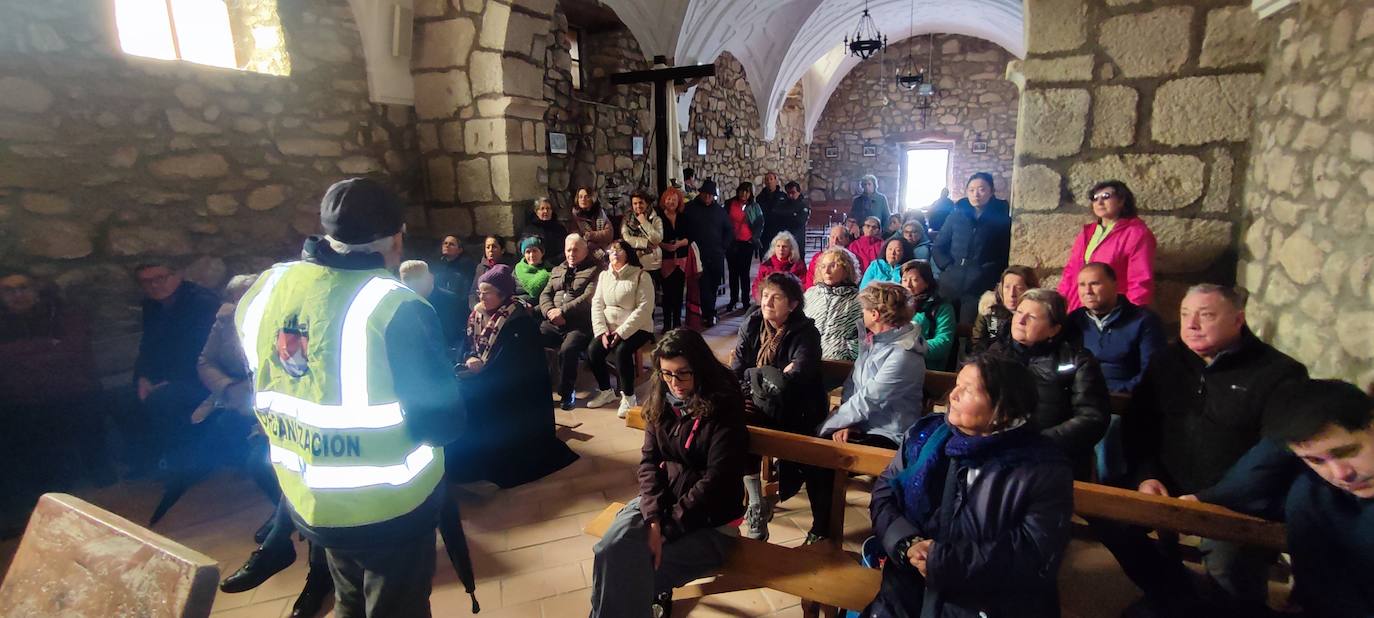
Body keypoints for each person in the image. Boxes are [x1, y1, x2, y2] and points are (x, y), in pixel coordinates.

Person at [234, 178, 464, 617]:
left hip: (308, 492)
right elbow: (442, 423)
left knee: (350, 601)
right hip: (387, 505)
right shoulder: (395, 305)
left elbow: (265, 374)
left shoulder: (268, 286)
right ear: (397, 238)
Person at [1104, 284, 1307, 615]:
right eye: (1185, 314)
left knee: (1230, 571)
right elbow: (1139, 426)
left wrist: (1213, 498)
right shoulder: (1166, 362)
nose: (1191, 324)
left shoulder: (1279, 373)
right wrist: (1147, 476)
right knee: (1114, 522)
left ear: (1238, 319)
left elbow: (1273, 451)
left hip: (1236, 499)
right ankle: (1174, 591)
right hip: (1167, 482)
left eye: (1206, 315)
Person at [863, 355, 1074, 618]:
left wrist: (941, 561)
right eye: (957, 385)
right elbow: (885, 493)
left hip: (984, 605)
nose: (953, 395)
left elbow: (1034, 552)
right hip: (904, 594)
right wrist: (907, 543)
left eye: (969, 390)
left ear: (1004, 410)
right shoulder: (925, 435)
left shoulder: (1041, 468)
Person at [589, 329, 748, 618]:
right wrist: (652, 519)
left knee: (633, 568)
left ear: (700, 367)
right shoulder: (662, 396)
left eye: (684, 374)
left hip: (712, 519)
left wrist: (668, 528)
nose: (676, 383)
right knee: (608, 550)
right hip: (663, 504)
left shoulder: (724, 402)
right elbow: (649, 461)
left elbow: (717, 479)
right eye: (667, 373)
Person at [451, 264, 579, 487]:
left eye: (487, 292)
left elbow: (517, 363)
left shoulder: (519, 321)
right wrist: (470, 357)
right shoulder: (476, 315)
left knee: (478, 398)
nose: (481, 297)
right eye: (480, 292)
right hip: (482, 373)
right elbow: (467, 343)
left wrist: (484, 371)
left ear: (502, 294)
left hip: (513, 386)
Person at [0, 273, 106, 537]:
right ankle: (30, 508)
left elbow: (71, 351)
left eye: (23, 288)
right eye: (9, 290)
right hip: (16, 401)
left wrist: (17, 355)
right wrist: (45, 347)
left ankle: (65, 503)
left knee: (60, 424)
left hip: (66, 394)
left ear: (36, 289)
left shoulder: (62, 314)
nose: (17, 295)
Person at [1259, 380, 1374, 618]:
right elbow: (1325, 594)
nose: (1341, 474)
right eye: (1315, 461)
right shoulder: (1312, 497)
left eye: (1347, 451)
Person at [732, 272, 827, 542]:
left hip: (797, 408)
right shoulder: (752, 323)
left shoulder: (806, 332)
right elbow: (738, 369)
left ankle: (821, 527)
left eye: (776, 297)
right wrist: (762, 375)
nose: (767, 302)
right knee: (734, 426)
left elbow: (793, 380)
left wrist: (757, 375)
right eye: (765, 296)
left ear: (793, 304)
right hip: (758, 402)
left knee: (816, 455)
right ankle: (754, 503)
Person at [988, 288, 1110, 478]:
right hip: (996, 455)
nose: (1020, 320)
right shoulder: (995, 353)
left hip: (1053, 463)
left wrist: (1038, 443)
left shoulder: (1077, 361)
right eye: (1019, 313)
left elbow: (1091, 417)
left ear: (1054, 328)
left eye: (1032, 317)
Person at [1067, 262, 1165, 482]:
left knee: (1108, 430)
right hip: (1080, 398)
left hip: (1122, 402)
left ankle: (1107, 492)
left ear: (1115, 284)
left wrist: (1119, 394)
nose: (1087, 291)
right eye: (1082, 285)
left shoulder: (1143, 321)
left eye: (1095, 283)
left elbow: (1152, 370)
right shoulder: (1075, 321)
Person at [127, 262, 220, 475]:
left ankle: (188, 466)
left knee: (165, 400)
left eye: (160, 278)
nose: (155, 286)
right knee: (124, 400)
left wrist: (173, 380)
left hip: (201, 377)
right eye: (147, 281)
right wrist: (142, 377)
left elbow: (203, 350)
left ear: (177, 275)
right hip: (165, 376)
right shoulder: (151, 307)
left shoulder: (202, 304)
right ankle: (149, 461)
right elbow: (148, 346)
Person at [818, 282, 925, 448]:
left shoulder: (903, 354)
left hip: (889, 433)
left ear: (874, 314)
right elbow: (852, 385)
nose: (862, 313)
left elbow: (869, 399)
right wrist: (846, 423)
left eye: (864, 309)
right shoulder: (873, 342)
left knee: (816, 448)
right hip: (863, 424)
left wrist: (826, 426)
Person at [1057, 180, 1156, 313]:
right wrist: (1060, 302)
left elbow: (1140, 279)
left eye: (1106, 197)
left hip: (1113, 310)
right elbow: (1070, 272)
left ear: (1121, 201)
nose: (1099, 202)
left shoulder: (1137, 234)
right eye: (1095, 198)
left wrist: (1131, 315)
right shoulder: (1088, 232)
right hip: (1079, 308)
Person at [586, 240, 657, 417]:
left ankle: (629, 397)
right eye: (611, 251)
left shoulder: (641, 276)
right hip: (609, 328)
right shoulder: (604, 276)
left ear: (628, 253)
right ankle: (606, 391)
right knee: (593, 350)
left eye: (619, 250)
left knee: (622, 351)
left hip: (638, 327)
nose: (614, 253)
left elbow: (644, 309)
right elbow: (597, 304)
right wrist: (601, 331)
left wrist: (621, 332)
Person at [932, 172, 1012, 324]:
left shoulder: (1001, 220)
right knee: (946, 325)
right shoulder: (956, 216)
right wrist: (948, 266)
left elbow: (1004, 253)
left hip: (980, 284)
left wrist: (986, 272)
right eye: (971, 190)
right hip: (950, 281)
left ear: (991, 191)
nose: (976, 194)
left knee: (974, 328)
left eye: (982, 189)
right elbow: (938, 246)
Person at [539, 234, 603, 410]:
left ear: (584, 251)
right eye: (568, 249)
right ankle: (539, 388)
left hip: (579, 324)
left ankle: (567, 393)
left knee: (568, 350)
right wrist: (549, 312)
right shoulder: (558, 270)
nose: (571, 253)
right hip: (553, 321)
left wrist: (562, 311)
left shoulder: (595, 270)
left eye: (576, 249)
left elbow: (588, 298)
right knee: (531, 339)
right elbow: (545, 294)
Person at [684, 179, 731, 326]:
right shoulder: (690, 208)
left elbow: (728, 230)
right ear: (701, 193)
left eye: (711, 195)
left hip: (716, 254)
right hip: (699, 254)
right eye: (705, 194)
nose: (708, 198)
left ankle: (709, 311)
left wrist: (724, 247)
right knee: (703, 285)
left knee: (714, 284)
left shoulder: (720, 211)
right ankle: (708, 314)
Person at [803, 248, 864, 362]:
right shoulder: (810, 294)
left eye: (833, 266)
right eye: (823, 266)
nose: (827, 271)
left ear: (846, 269)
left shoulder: (858, 300)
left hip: (840, 362)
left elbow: (863, 334)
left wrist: (850, 351)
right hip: (807, 360)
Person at [900, 260, 956, 372]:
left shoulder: (941, 307)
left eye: (914, 280)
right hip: (897, 363)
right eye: (904, 280)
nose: (908, 285)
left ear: (927, 282)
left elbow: (943, 341)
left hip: (926, 368)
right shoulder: (897, 304)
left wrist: (913, 346)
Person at [399, 260, 464, 356]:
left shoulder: (451, 301)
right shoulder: (401, 305)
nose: (412, 283)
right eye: (407, 279)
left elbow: (461, 336)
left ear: (430, 278)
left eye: (417, 277)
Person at [971, 265, 1038, 354]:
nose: (1012, 294)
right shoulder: (989, 309)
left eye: (1019, 288)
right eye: (1007, 287)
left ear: (1030, 290)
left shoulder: (1036, 315)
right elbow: (977, 343)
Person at [724, 181, 763, 313]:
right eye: (742, 190)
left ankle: (745, 301)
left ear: (750, 193)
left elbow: (759, 223)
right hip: (732, 243)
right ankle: (733, 299)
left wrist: (754, 238)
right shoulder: (730, 204)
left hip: (746, 243)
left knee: (744, 273)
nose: (744, 194)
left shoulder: (754, 206)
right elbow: (724, 221)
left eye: (747, 191)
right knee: (733, 273)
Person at [657, 187, 690, 331]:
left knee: (678, 294)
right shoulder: (658, 218)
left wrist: (679, 244)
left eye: (674, 200)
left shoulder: (683, 217)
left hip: (681, 260)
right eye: (669, 199)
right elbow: (655, 239)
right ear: (664, 200)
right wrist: (666, 246)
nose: (671, 202)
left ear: (679, 202)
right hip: (665, 260)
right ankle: (666, 325)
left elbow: (690, 237)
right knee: (667, 295)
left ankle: (677, 323)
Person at [622, 189, 663, 296]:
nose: (638, 206)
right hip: (633, 261)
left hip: (651, 263)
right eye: (635, 203)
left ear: (647, 203)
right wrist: (645, 243)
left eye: (641, 202)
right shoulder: (627, 219)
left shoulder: (655, 219)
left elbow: (657, 239)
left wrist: (644, 222)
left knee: (650, 297)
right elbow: (626, 238)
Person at [753, 231, 807, 302]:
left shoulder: (798, 265)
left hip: (789, 303)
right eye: (778, 246)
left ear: (791, 249)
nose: (781, 249)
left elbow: (803, 286)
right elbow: (757, 285)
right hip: (767, 301)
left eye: (784, 246)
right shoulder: (766, 265)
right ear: (774, 248)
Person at [431, 235, 475, 315]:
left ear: (459, 250)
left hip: (456, 308)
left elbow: (466, 291)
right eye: (445, 243)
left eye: (451, 244)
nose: (447, 246)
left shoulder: (466, 266)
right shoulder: (437, 264)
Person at [804, 224, 857, 289]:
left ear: (847, 240)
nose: (835, 241)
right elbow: (810, 281)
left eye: (840, 238)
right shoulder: (817, 257)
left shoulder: (852, 259)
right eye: (832, 237)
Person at [469, 234, 514, 309]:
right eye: (488, 247)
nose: (490, 250)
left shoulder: (510, 267)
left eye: (494, 247)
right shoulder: (481, 268)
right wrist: (476, 307)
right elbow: (473, 293)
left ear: (502, 250)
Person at [573, 185, 614, 257]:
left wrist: (591, 235)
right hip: (587, 251)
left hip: (604, 247)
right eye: (580, 197)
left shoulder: (600, 213)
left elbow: (609, 234)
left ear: (592, 199)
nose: (583, 199)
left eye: (586, 196)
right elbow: (578, 237)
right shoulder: (575, 217)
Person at [512, 236, 552, 307]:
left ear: (542, 252)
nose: (531, 255)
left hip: (543, 308)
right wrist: (523, 303)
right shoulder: (518, 270)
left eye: (534, 250)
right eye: (528, 252)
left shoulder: (551, 270)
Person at [777, 181, 812, 262]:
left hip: (798, 238)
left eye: (793, 193)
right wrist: (792, 214)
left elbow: (800, 221)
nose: (790, 195)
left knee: (798, 262)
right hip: (786, 238)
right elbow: (778, 216)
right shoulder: (783, 204)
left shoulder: (803, 205)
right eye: (788, 193)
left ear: (798, 192)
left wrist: (786, 215)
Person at [756, 172, 788, 259]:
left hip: (778, 233)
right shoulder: (760, 198)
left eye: (771, 179)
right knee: (765, 258)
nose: (769, 181)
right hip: (764, 233)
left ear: (775, 181)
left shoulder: (783, 197)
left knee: (779, 258)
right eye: (767, 180)